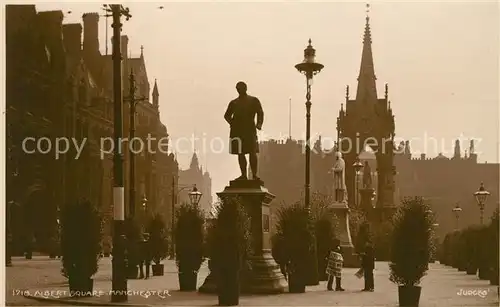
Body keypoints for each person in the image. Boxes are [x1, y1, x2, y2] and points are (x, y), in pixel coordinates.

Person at [224, 81, 264, 181]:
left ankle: (254, 175)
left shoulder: (253, 100)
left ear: (245, 88)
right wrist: (232, 123)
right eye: (238, 88)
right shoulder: (234, 103)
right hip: (238, 131)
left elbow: (260, 112)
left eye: (241, 88)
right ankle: (243, 175)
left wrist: (259, 124)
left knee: (252, 152)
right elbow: (227, 115)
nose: (240, 90)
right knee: (240, 153)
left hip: (250, 129)